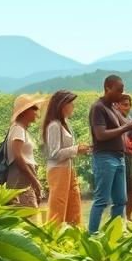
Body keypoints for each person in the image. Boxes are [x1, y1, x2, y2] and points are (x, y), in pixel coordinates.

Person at [87, 75, 132, 233]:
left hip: (119, 158)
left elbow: (126, 123)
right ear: (107, 88)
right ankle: (91, 235)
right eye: (118, 90)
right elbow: (101, 134)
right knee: (101, 200)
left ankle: (115, 234)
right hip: (105, 158)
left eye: (122, 90)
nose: (121, 93)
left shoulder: (113, 108)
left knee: (121, 200)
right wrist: (126, 128)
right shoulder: (98, 108)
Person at [41, 90, 90, 226]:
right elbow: (54, 153)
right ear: (63, 105)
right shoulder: (54, 126)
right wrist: (76, 149)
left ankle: (73, 233)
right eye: (71, 104)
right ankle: (54, 236)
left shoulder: (65, 123)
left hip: (68, 168)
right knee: (58, 204)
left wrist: (79, 150)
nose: (73, 107)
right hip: (58, 170)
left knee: (74, 202)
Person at [6, 94, 44, 210]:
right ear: (25, 111)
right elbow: (18, 156)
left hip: (23, 178)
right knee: (28, 214)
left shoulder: (19, 129)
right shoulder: (18, 129)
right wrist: (34, 181)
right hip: (21, 180)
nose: (36, 113)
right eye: (34, 109)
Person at [115, 93, 132, 221]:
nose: (128, 107)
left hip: (131, 157)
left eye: (129, 104)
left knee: (131, 188)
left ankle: (129, 216)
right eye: (125, 105)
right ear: (116, 105)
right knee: (121, 189)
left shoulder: (131, 120)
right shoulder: (114, 119)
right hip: (119, 156)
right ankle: (120, 217)